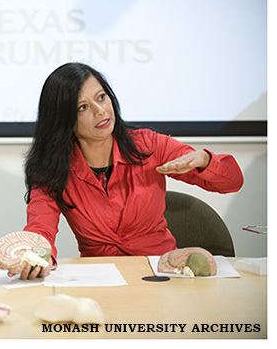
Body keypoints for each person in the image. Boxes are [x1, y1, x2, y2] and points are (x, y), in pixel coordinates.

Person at [15, 62, 243, 280]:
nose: (100, 111)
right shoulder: (52, 170)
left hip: (162, 273)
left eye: (101, 97)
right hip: (100, 279)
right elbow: (40, 227)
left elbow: (231, 182)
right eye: (82, 107)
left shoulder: (149, 145)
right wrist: (38, 258)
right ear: (64, 120)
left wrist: (204, 160)